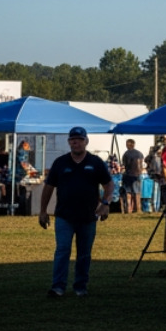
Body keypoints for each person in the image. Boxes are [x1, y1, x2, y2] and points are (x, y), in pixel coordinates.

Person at [37, 127, 114, 297]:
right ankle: (58, 287)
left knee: (84, 254)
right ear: (69, 142)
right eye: (73, 139)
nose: (76, 142)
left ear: (86, 141)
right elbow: (48, 187)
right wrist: (43, 211)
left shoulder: (95, 162)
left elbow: (109, 184)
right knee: (62, 251)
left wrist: (106, 202)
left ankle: (80, 287)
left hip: (88, 216)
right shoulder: (60, 163)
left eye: (79, 139)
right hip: (64, 216)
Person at [120, 138, 145, 214]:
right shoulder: (140, 153)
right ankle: (138, 209)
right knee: (137, 192)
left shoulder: (126, 154)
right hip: (137, 175)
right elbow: (141, 165)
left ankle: (128, 209)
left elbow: (124, 165)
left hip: (128, 175)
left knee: (128, 192)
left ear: (128, 144)